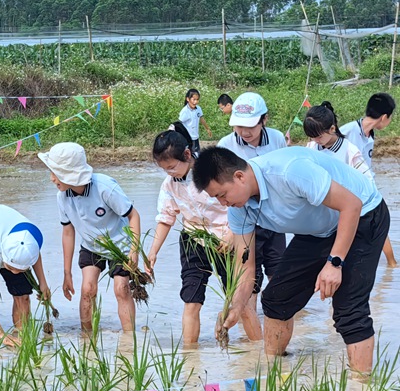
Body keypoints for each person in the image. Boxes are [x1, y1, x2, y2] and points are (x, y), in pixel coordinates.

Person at [193, 146, 390, 374]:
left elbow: (351, 205)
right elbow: (245, 267)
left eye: (222, 195)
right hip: (319, 230)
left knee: (349, 309)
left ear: (239, 177)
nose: (222, 204)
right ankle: (275, 374)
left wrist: (334, 263)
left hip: (364, 215)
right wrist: (235, 306)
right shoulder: (240, 208)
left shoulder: (289, 171)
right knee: (276, 299)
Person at [148, 122, 262, 345]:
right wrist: (153, 251)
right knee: (191, 301)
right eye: (164, 169)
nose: (169, 173)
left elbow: (240, 203)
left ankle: (260, 352)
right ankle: (190, 358)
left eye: (172, 167)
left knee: (242, 300)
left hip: (225, 240)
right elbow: (166, 218)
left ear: (187, 155)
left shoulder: (212, 173)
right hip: (193, 241)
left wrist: (231, 233)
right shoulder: (169, 185)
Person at [38, 142, 141, 332]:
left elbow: (133, 216)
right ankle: (87, 339)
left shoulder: (104, 188)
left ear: (71, 174)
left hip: (120, 245)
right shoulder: (62, 197)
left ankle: (129, 340)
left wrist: (134, 251)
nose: (52, 179)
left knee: (121, 289)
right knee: (87, 289)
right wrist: (67, 273)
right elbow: (68, 232)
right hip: (91, 244)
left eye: (56, 174)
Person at [217, 92, 287, 288]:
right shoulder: (225, 146)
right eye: (239, 126)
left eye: (250, 126)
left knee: (279, 275)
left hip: (274, 220)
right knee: (249, 281)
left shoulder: (277, 139)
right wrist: (229, 229)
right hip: (244, 219)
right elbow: (222, 193)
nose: (244, 132)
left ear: (264, 119)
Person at [0, 204, 51, 347]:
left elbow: (34, 254)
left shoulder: (33, 238)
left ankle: (21, 336)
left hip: (8, 231)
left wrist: (42, 282)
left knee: (23, 294)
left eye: (20, 269)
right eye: (11, 268)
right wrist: (1, 335)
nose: (15, 273)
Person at [340, 92, 397, 266]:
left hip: (366, 188)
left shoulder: (370, 135)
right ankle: (392, 264)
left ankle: (392, 264)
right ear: (384, 117)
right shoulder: (347, 131)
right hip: (348, 189)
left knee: (377, 223)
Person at [304, 101, 372, 177]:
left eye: (319, 136)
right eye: (312, 137)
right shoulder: (310, 148)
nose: (316, 140)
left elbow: (367, 180)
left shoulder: (350, 151)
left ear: (332, 128)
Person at [179, 88, 213, 155]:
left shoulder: (198, 108)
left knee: (196, 155)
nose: (195, 102)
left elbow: (201, 118)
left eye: (197, 100)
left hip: (195, 137)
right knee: (188, 156)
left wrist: (207, 129)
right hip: (187, 138)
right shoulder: (185, 111)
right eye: (194, 99)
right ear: (188, 99)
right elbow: (179, 123)